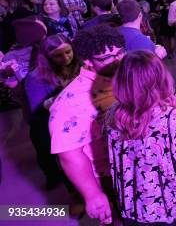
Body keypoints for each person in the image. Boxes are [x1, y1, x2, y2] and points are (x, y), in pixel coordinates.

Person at [107, 51, 176, 224]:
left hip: (131, 206)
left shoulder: (114, 114)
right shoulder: (174, 119)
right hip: (167, 208)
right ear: (161, 78)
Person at [49, 24, 125, 224]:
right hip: (109, 177)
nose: (117, 61)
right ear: (87, 60)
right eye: (107, 57)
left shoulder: (119, 77)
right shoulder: (70, 101)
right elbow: (69, 153)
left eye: (119, 53)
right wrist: (92, 194)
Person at [25, 34, 80, 190]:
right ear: (47, 57)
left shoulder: (77, 64)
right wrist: (60, 98)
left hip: (73, 120)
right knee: (61, 162)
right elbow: (38, 109)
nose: (66, 58)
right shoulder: (36, 77)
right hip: (47, 124)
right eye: (58, 56)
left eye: (69, 52)